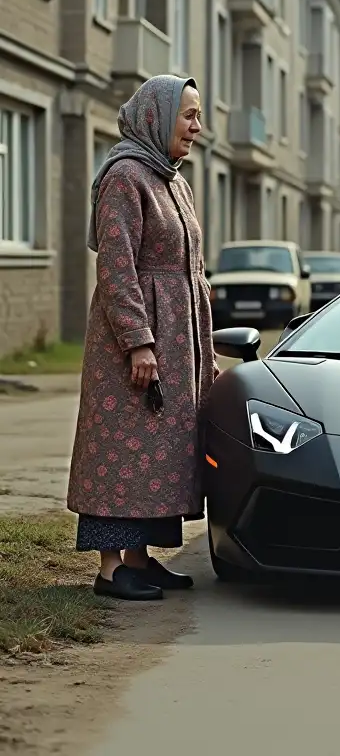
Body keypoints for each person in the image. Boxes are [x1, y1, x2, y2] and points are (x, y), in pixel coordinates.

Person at [66, 75, 218, 601]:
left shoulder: (174, 181)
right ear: (158, 116)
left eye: (198, 116)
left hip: (177, 337)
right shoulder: (125, 176)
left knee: (159, 452)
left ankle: (140, 558)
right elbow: (117, 267)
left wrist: (201, 344)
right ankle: (111, 570)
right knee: (120, 448)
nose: (197, 127)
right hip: (134, 343)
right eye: (189, 115)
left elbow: (190, 267)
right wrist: (137, 340)